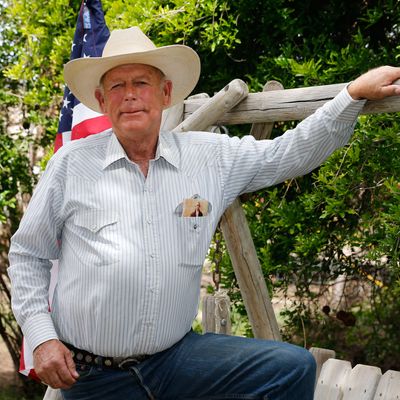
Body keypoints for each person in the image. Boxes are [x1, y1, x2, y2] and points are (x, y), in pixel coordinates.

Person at [7, 26, 400, 400]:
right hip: (93, 374)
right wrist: (42, 337)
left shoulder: (210, 157)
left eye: (141, 83)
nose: (130, 95)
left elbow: (288, 152)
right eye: (117, 86)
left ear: (165, 93)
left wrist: (352, 94)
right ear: (103, 100)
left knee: (292, 367)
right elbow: (28, 255)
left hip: (176, 359)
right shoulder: (72, 164)